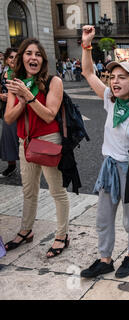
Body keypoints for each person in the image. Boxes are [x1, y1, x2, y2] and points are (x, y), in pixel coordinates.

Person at [78, 25, 129, 279]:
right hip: (109, 166)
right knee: (103, 217)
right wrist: (86, 45)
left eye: (122, 77)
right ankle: (105, 259)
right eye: (112, 77)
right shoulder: (110, 99)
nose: (114, 81)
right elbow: (88, 73)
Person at [3, 38, 70, 258]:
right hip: (26, 141)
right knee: (28, 190)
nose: (33, 57)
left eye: (38, 54)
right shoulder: (16, 81)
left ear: (43, 59)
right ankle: (25, 230)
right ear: (22, 57)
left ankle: (62, 235)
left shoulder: (54, 81)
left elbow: (49, 114)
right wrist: (21, 100)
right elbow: (9, 118)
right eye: (29, 53)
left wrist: (29, 96)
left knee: (56, 191)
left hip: (49, 140)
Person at [0, 48, 19, 178]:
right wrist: (1, 95)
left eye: (16, 57)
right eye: (11, 57)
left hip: (20, 108)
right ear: (6, 60)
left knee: (24, 138)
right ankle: (11, 165)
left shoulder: (23, 72)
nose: (13, 60)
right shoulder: (3, 73)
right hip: (7, 109)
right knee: (8, 137)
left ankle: (31, 166)